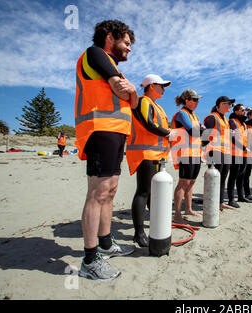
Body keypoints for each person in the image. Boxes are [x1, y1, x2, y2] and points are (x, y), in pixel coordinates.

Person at [75, 20, 138, 281]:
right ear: (109, 37)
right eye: (126, 42)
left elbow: (132, 100)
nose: (129, 49)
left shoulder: (110, 64)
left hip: (114, 131)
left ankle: (105, 243)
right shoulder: (96, 53)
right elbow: (121, 90)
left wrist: (132, 93)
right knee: (98, 192)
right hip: (99, 129)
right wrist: (130, 92)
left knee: (110, 191)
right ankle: (90, 259)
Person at [126, 74, 171, 247]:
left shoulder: (156, 105)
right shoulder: (144, 101)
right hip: (145, 154)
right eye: (161, 86)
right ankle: (138, 233)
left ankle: (156, 225)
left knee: (153, 194)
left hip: (157, 155)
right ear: (151, 86)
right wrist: (168, 133)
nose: (164, 89)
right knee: (143, 192)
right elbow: (148, 124)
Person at [171, 89, 204, 223]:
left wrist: (202, 130)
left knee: (192, 182)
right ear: (187, 100)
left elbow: (201, 132)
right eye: (195, 99)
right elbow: (193, 132)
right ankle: (177, 214)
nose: (197, 102)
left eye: (198, 100)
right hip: (184, 153)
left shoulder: (195, 116)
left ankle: (188, 209)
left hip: (196, 153)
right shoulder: (182, 114)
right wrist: (202, 130)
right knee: (183, 182)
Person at [203, 96, 235, 210]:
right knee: (214, 178)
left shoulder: (226, 120)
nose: (230, 106)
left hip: (225, 152)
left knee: (222, 178)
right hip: (215, 152)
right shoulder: (212, 118)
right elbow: (205, 137)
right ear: (222, 104)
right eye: (229, 104)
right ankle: (212, 203)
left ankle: (220, 202)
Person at [227, 104, 251, 208]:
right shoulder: (232, 122)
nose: (244, 111)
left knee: (241, 175)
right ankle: (231, 199)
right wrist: (243, 148)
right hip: (235, 153)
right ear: (236, 111)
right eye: (242, 110)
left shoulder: (244, 124)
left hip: (243, 154)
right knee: (233, 176)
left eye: (245, 110)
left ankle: (241, 196)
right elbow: (232, 138)